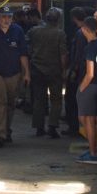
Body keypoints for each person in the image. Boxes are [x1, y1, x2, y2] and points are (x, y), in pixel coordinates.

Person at [0, 5, 30, 148]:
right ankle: (0, 135)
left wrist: (27, 73)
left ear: (12, 18)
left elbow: (23, 54)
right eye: (3, 17)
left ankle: (7, 129)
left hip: (14, 73)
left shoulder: (18, 31)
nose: (6, 19)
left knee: (11, 104)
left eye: (9, 17)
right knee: (0, 103)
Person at [26, 8, 67, 138]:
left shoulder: (34, 31)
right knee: (56, 99)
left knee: (39, 99)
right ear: (58, 20)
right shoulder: (60, 34)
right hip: (54, 71)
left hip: (37, 69)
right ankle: (52, 127)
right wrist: (64, 70)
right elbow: (63, 55)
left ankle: (39, 127)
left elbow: (27, 47)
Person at [75, 16, 97, 164]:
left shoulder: (89, 47)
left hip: (90, 86)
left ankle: (93, 153)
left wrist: (81, 88)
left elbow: (90, 73)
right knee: (92, 118)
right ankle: (94, 148)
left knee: (86, 119)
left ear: (84, 29)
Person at [64, 7, 88, 135]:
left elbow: (78, 54)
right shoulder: (87, 31)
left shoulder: (80, 33)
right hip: (83, 70)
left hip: (78, 72)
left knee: (72, 100)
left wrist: (73, 70)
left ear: (74, 18)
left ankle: (74, 127)